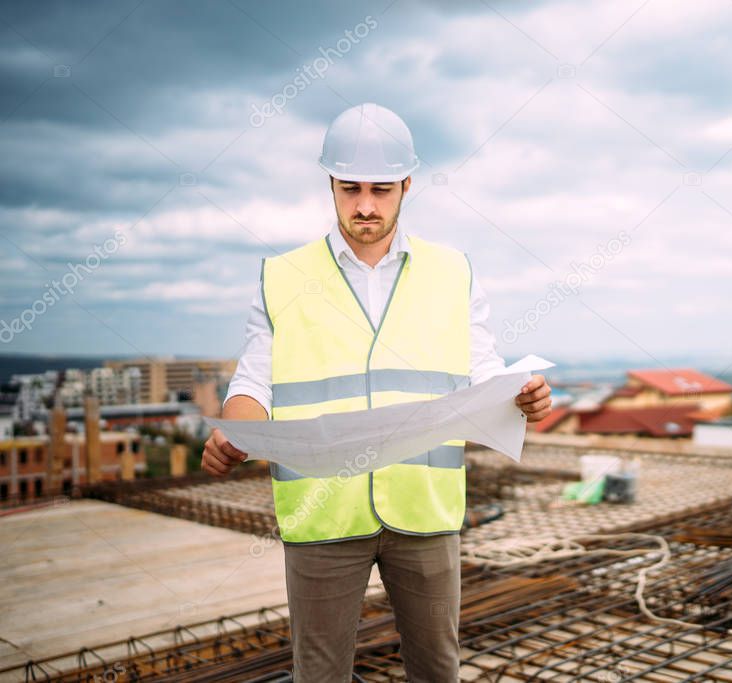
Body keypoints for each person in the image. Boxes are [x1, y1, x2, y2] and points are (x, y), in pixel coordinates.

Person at [202, 102, 552, 682]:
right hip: (322, 513)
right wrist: (234, 432)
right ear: (330, 184)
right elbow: (253, 382)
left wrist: (523, 397)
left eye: (382, 190)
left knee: (437, 671)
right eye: (350, 188)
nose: (365, 205)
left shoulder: (453, 272)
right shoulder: (281, 275)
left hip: (424, 505)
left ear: (407, 186)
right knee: (320, 677)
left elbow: (483, 372)